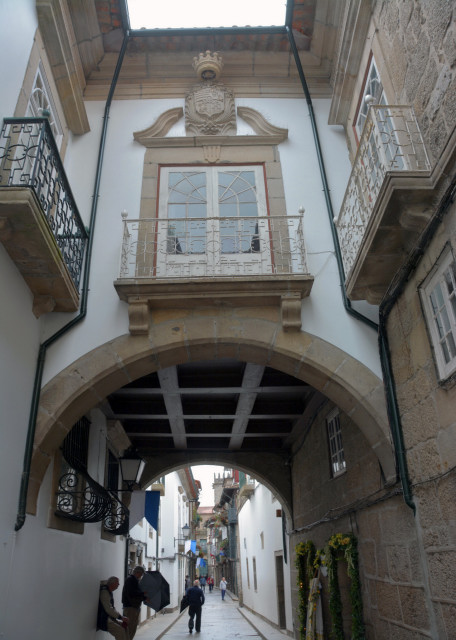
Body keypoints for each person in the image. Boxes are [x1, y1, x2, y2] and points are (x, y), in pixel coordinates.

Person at [122, 566, 146, 640]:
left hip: (133, 607)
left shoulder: (134, 580)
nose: (141, 576)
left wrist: (143, 596)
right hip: (130, 608)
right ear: (137, 573)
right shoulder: (131, 580)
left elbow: (135, 593)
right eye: (141, 574)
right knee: (130, 628)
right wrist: (142, 594)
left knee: (132, 628)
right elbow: (132, 593)